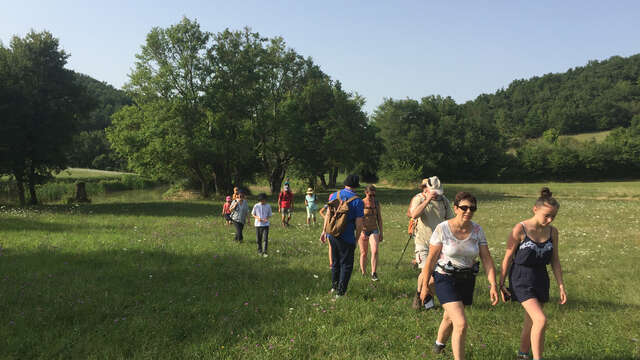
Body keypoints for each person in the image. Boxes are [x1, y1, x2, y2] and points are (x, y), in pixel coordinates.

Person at [419, 191, 498, 360]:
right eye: (464, 207)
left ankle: (438, 346)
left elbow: (486, 258)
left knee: (449, 316)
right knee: (460, 323)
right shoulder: (443, 229)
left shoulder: (477, 230)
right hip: (445, 278)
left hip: (467, 279)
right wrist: (425, 286)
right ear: (455, 208)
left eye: (472, 208)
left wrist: (493, 284)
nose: (468, 211)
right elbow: (431, 260)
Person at [499, 187, 567, 360]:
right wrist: (500, 284)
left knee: (531, 322)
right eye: (547, 215)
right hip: (521, 277)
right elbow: (507, 258)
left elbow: (555, 260)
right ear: (535, 209)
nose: (550, 220)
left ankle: (523, 355)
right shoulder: (520, 229)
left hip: (541, 278)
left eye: (553, 217)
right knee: (541, 320)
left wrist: (561, 286)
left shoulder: (553, 232)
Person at [410, 176, 455, 310]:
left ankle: (419, 295)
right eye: (434, 192)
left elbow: (451, 220)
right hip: (422, 242)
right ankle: (429, 305)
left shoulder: (444, 201)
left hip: (439, 244)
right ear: (428, 189)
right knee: (426, 272)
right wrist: (428, 199)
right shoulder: (419, 198)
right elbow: (414, 215)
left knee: (433, 277)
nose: (436, 195)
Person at [320, 174, 364, 297]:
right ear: (355, 185)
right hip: (347, 236)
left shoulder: (334, 195)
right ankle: (341, 292)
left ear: (345, 183)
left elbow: (328, 214)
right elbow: (359, 223)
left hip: (332, 234)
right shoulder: (357, 201)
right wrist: (356, 238)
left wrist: (324, 231)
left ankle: (334, 287)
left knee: (335, 262)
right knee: (346, 265)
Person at [358, 184, 383, 281]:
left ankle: (373, 273)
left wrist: (381, 232)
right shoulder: (361, 203)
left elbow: (379, 219)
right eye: (370, 195)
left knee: (375, 250)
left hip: (374, 229)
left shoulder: (376, 204)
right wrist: (361, 231)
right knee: (364, 253)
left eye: (374, 195)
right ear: (366, 193)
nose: (372, 197)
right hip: (363, 230)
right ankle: (363, 272)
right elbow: (359, 219)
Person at [251, 193, 273, 257]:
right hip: (258, 224)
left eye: (264, 200)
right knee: (258, 239)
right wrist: (257, 218)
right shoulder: (256, 206)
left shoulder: (268, 206)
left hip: (266, 225)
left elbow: (270, 214)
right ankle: (259, 251)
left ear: (266, 200)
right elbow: (252, 214)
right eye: (261, 200)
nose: (263, 201)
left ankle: (265, 252)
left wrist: (266, 219)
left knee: (265, 239)